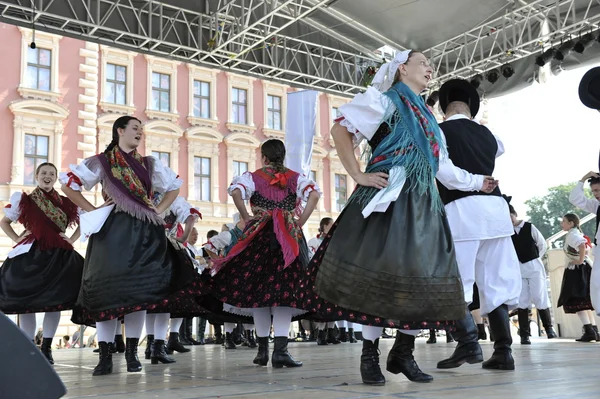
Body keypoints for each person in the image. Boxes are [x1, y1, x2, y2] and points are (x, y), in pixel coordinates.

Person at [299, 50, 469, 386]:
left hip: (423, 203)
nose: (430, 69)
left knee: (421, 276)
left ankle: (403, 351)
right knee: (377, 276)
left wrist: (480, 183)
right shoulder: (383, 100)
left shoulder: (429, 117)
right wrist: (358, 174)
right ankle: (369, 355)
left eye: (430, 65)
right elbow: (340, 132)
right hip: (388, 197)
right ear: (402, 68)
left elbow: (444, 169)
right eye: (423, 63)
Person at [60, 115, 196, 376]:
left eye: (141, 130)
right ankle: (106, 354)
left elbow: (173, 188)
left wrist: (157, 210)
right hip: (112, 230)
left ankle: (133, 353)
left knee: (139, 292)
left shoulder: (149, 164)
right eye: (135, 128)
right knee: (106, 291)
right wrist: (93, 210)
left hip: (145, 231)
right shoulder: (102, 162)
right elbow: (70, 185)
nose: (139, 133)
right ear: (120, 130)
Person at [207, 139, 321, 369]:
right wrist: (300, 221)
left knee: (257, 294)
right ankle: (280, 351)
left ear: (264, 157)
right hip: (286, 237)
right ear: (282, 156)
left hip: (258, 234)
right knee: (284, 293)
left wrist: (246, 216)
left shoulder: (252, 176)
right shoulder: (294, 177)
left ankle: (261, 351)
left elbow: (237, 193)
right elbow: (314, 195)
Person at [435, 78, 521, 371]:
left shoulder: (439, 130)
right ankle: (503, 351)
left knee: (458, 280)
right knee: (495, 280)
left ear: (444, 108)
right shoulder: (488, 135)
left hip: (463, 209)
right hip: (496, 212)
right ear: (471, 108)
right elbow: (500, 148)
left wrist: (474, 182)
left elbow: (444, 172)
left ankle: (469, 343)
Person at [0, 162, 83, 364]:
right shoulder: (24, 200)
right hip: (30, 256)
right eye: (44, 173)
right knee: (26, 303)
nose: (47, 176)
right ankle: (30, 347)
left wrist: (71, 240)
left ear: (55, 178)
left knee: (54, 304)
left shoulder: (67, 202)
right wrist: (17, 239)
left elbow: (84, 224)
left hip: (58, 256)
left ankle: (46, 347)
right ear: (36, 176)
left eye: (51, 174)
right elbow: (4, 222)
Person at [508, 201, 557, 344]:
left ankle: (548, 328)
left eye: (510, 216)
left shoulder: (529, 227)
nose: (508, 219)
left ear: (515, 214)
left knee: (539, 296)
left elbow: (542, 244)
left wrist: (535, 257)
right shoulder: (507, 232)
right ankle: (524, 334)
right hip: (518, 269)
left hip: (534, 266)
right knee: (522, 301)